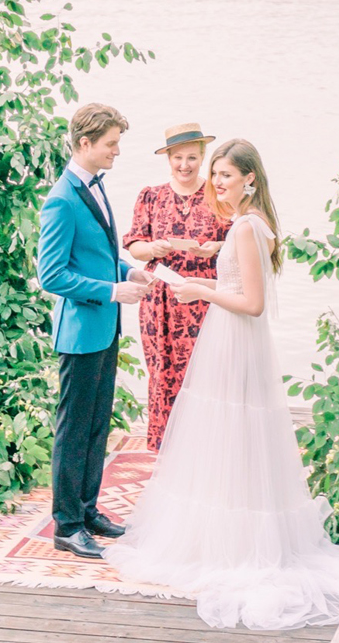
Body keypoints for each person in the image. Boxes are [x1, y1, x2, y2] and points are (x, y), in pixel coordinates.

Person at [109, 139, 339, 629]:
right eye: (215, 176)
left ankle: (235, 545)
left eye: (226, 175)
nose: (216, 183)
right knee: (226, 434)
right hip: (228, 335)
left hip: (235, 337)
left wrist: (200, 292)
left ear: (251, 178)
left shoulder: (249, 227)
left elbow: (250, 303)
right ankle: (224, 532)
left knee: (231, 430)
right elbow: (235, 289)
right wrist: (199, 287)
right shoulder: (245, 224)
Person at [36, 102, 153, 561]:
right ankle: (65, 525)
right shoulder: (61, 199)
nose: (117, 151)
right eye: (111, 143)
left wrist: (130, 270)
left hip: (104, 327)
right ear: (85, 144)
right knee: (74, 430)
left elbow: (100, 252)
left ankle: (87, 510)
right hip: (81, 330)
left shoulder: (96, 187)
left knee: (97, 425)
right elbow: (52, 276)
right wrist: (111, 290)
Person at [121, 122, 227, 450]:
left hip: (203, 297)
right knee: (161, 373)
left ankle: (205, 445)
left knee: (204, 373)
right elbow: (134, 245)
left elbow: (239, 240)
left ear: (203, 157)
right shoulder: (151, 195)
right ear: (168, 158)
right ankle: (166, 448)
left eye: (192, 157)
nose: (185, 165)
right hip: (160, 300)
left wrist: (214, 247)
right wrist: (153, 249)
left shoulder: (218, 193)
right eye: (178, 157)